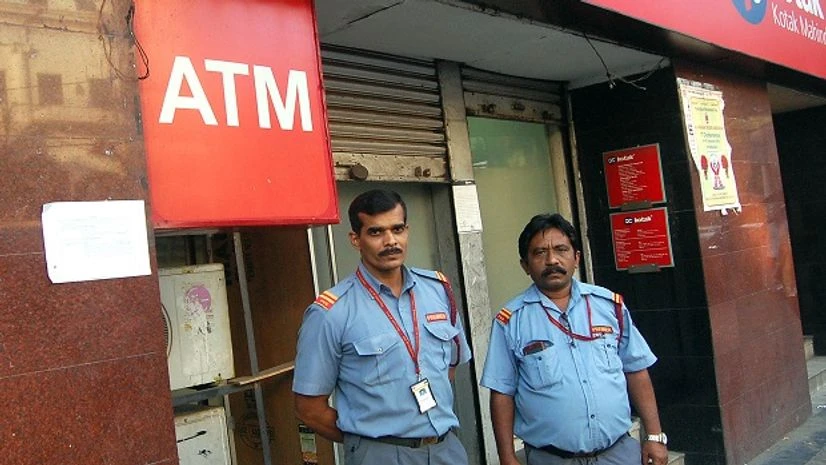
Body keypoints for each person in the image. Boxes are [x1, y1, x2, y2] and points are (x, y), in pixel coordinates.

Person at [293, 189, 472, 465]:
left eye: (397, 229)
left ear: (407, 230)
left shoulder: (437, 290)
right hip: (381, 454)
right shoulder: (331, 312)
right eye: (376, 232)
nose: (391, 241)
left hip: (445, 450)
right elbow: (309, 409)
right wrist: (364, 441)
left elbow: (450, 366)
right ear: (356, 239)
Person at [480, 213, 668, 465]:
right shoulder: (511, 321)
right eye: (539, 253)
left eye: (561, 249)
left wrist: (654, 436)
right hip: (552, 459)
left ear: (576, 257)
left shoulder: (608, 306)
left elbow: (636, 370)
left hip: (619, 453)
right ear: (525, 265)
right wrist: (506, 456)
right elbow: (502, 393)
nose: (552, 260)